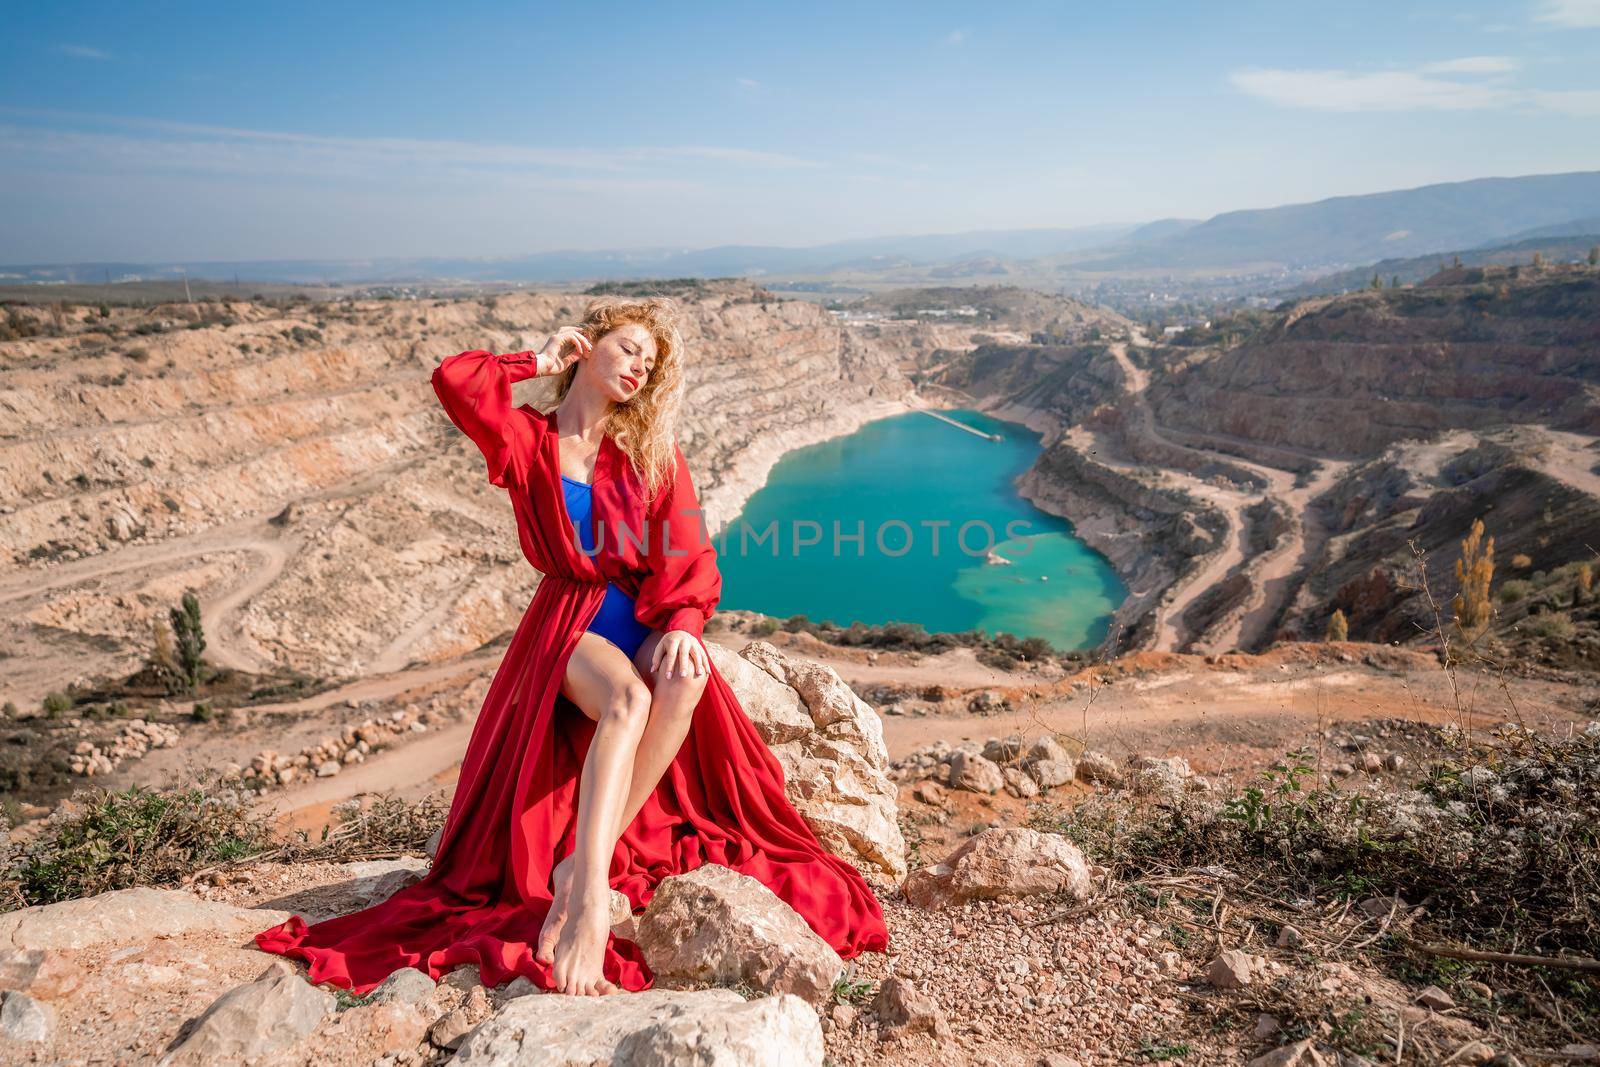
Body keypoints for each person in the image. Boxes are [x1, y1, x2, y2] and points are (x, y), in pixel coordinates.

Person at [254, 295, 890, 997]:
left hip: (635, 612)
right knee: (626, 697)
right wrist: (538, 359)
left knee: (686, 678)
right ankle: (588, 894)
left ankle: (584, 858)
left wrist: (682, 624)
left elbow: (689, 553)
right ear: (589, 346)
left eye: (649, 364)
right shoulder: (529, 438)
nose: (638, 370)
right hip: (568, 620)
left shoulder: (647, 451)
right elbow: (455, 379)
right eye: (626, 350)